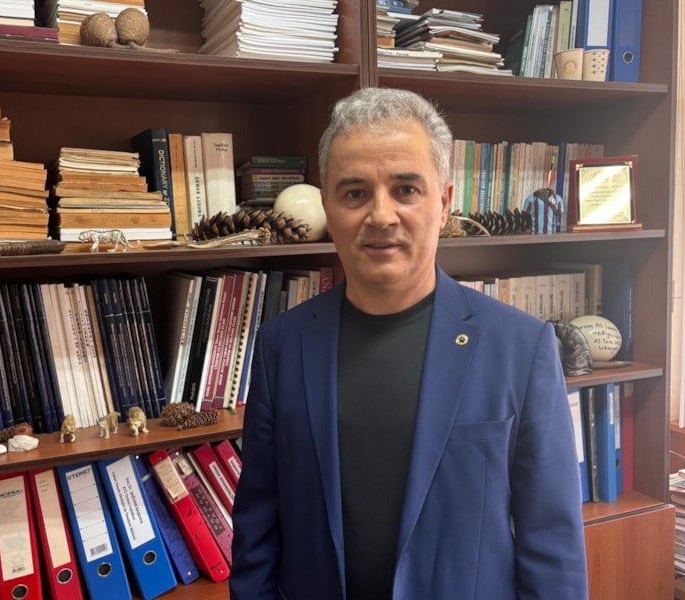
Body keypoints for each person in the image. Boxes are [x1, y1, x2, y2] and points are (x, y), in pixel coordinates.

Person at [230, 87, 588, 600]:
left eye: (405, 189)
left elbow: (552, 544)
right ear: (328, 207)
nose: (381, 215)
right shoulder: (281, 347)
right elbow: (257, 536)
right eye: (355, 193)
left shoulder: (522, 347)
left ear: (443, 203)